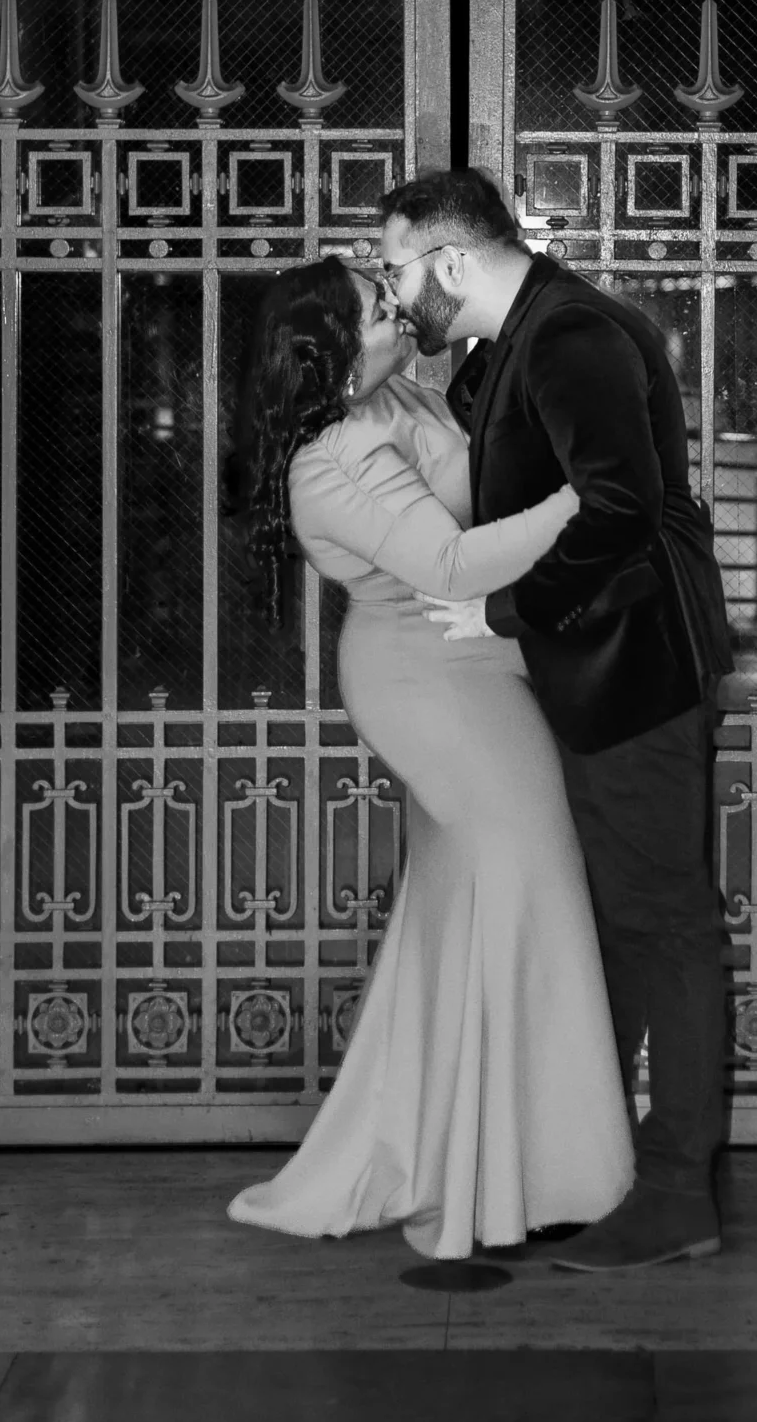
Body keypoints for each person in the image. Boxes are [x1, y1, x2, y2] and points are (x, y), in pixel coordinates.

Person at [225, 254, 634, 1261]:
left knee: (486, 902)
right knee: (529, 884)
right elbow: (451, 563)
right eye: (377, 307)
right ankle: (514, 1176)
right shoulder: (332, 459)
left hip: (473, 665)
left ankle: (503, 1162)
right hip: (429, 682)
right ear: (333, 349)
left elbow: (478, 434)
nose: (396, 310)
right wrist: (591, 498)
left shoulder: (399, 390)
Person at [379, 166, 730, 1274]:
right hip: (598, 668)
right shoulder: (520, 340)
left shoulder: (571, 336)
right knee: (620, 918)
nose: (392, 294)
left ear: (450, 259)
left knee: (663, 923)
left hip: (636, 672)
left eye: (397, 269)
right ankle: (601, 1168)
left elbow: (620, 509)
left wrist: (504, 610)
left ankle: (678, 1193)